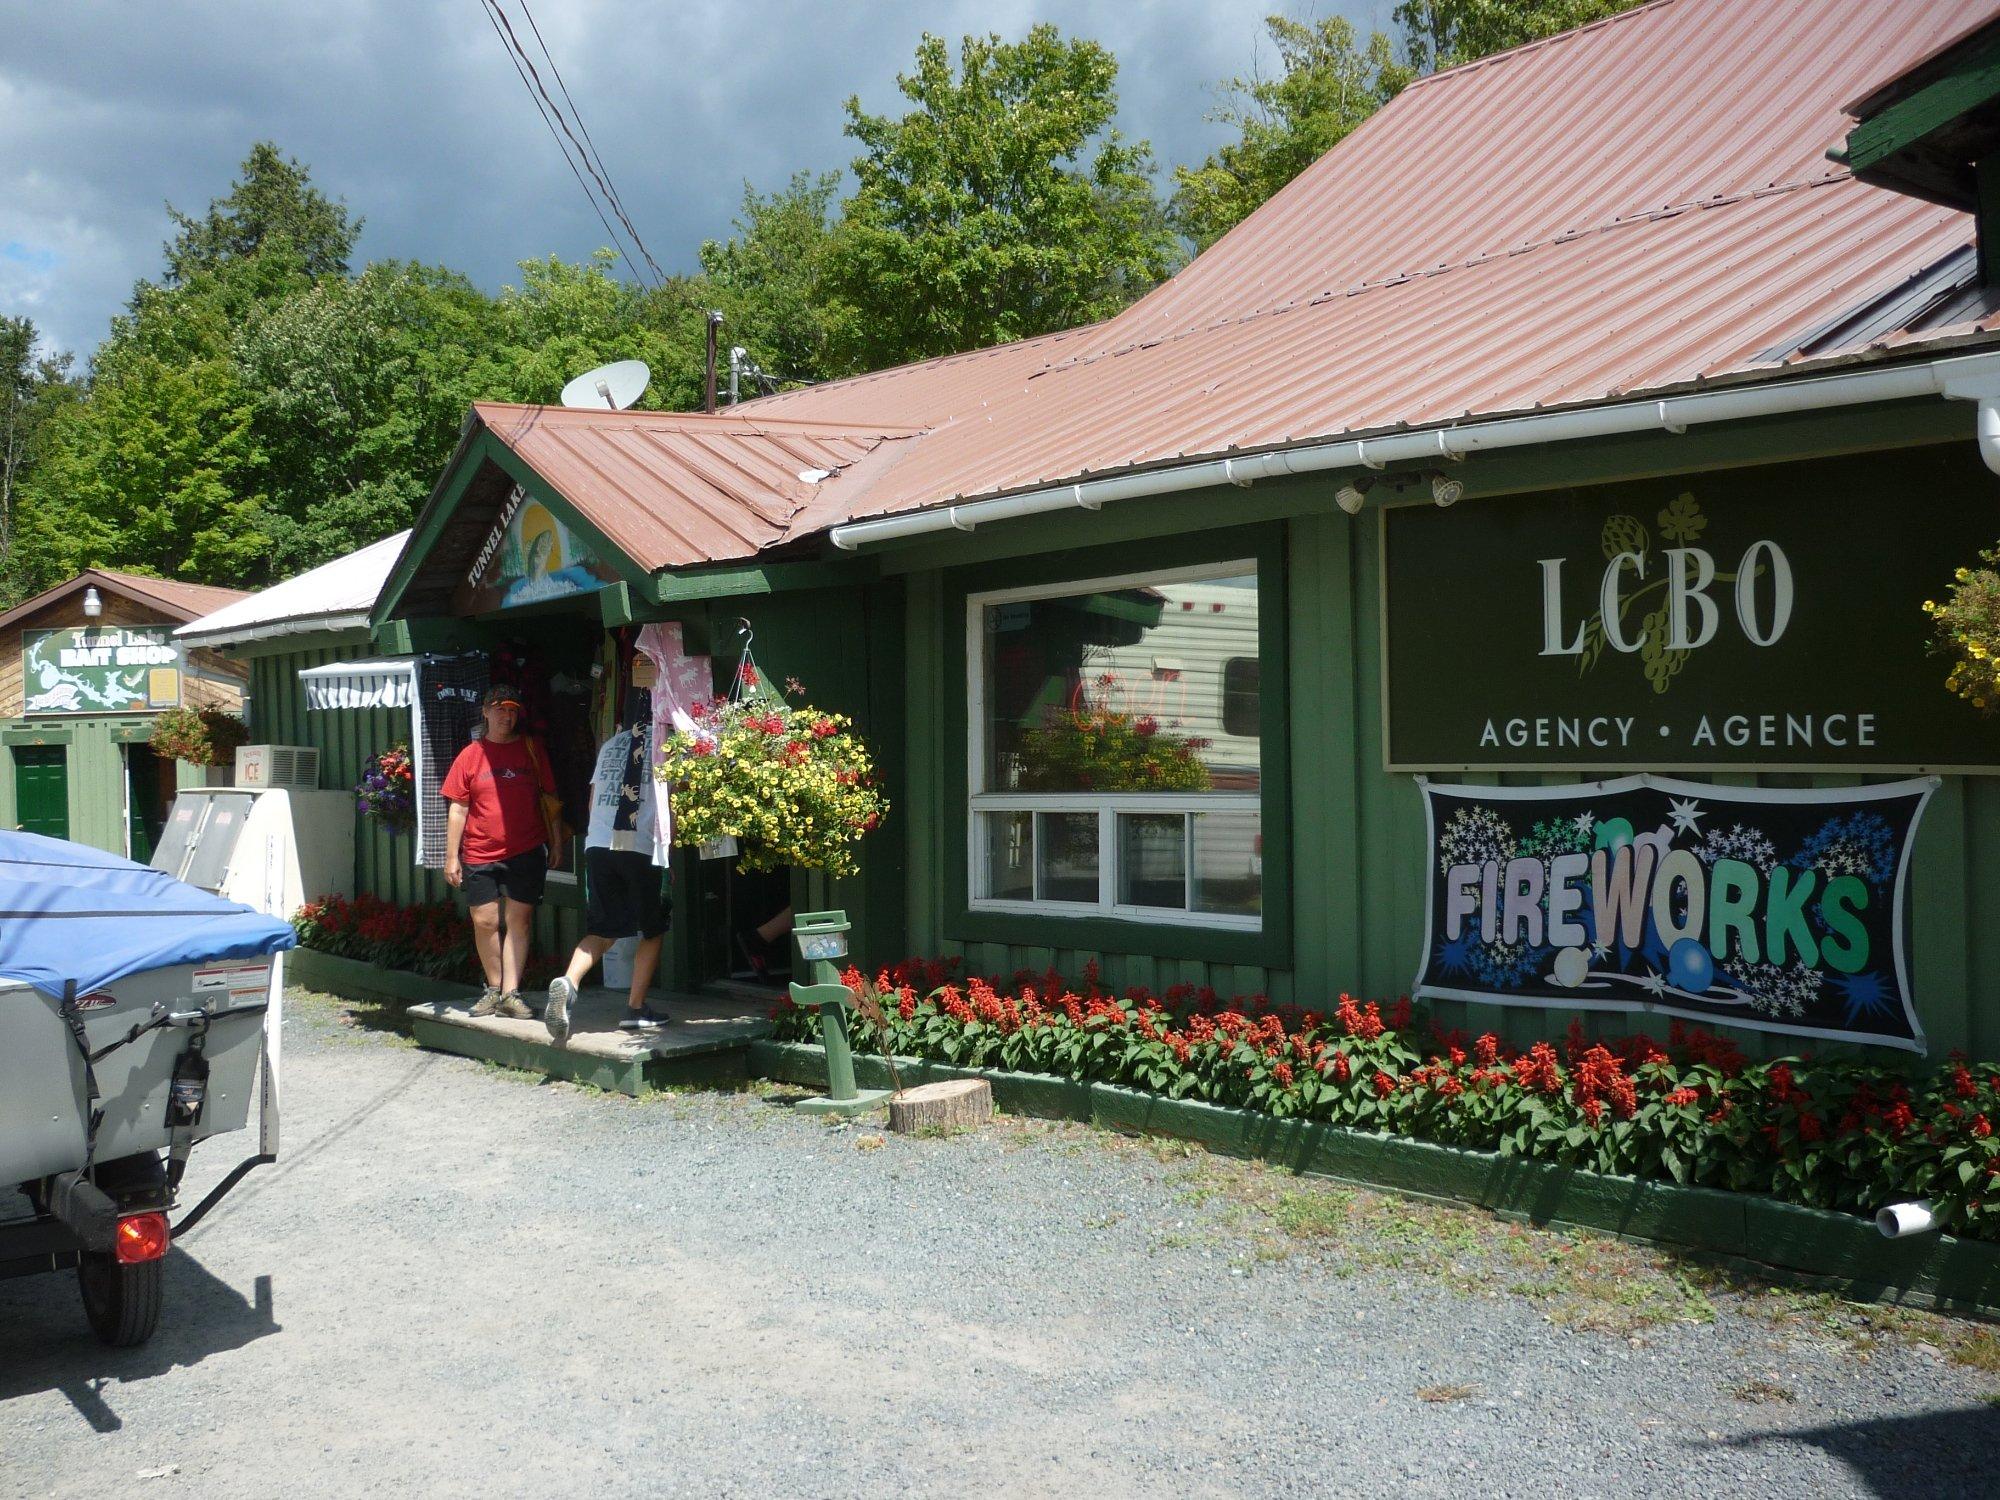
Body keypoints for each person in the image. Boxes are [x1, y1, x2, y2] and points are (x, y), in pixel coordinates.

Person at [546, 709, 671, 1042]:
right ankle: (635, 1008)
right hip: (639, 846)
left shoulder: (612, 744)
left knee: (603, 930)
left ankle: (569, 982)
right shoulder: (665, 743)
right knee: (653, 929)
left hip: (598, 844)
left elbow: (591, 802)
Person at [442, 682, 561, 1020]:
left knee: (518, 920)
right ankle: (494, 989)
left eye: (511, 709)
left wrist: (556, 842)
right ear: (485, 711)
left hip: (525, 848)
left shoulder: (531, 749)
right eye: (499, 708)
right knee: (485, 920)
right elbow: (458, 807)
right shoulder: (471, 754)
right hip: (480, 851)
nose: (506, 715)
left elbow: (550, 800)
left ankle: (511, 993)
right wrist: (451, 856)